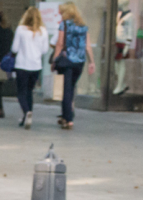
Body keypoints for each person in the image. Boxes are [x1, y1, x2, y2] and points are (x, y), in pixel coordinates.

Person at [51, 2, 94, 130]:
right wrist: (92, 61)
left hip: (67, 61)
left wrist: (54, 60)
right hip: (80, 62)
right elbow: (87, 45)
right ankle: (67, 115)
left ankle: (68, 119)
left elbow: (59, 43)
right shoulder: (83, 26)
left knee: (66, 91)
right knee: (71, 88)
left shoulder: (64, 25)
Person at [11, 7, 47, 130]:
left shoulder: (21, 29)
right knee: (29, 92)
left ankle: (27, 112)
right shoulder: (43, 31)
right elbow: (45, 50)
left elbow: (14, 48)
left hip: (22, 65)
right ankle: (28, 114)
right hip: (36, 66)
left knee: (21, 92)